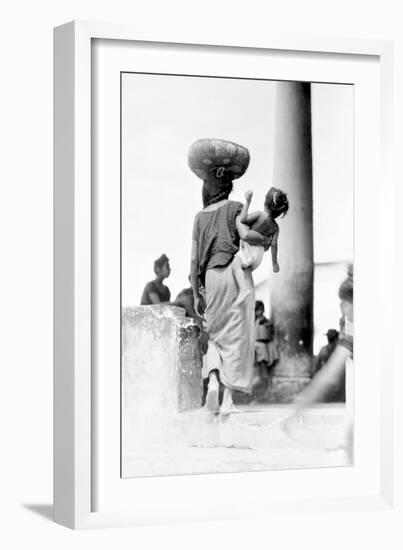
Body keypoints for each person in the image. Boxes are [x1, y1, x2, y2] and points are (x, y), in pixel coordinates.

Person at [190, 159, 272, 416]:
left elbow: (193, 260)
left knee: (215, 336)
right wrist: (267, 240)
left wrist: (195, 293)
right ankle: (227, 400)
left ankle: (212, 382)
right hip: (234, 273)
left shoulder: (199, 217)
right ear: (228, 187)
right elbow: (248, 235)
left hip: (210, 278)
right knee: (237, 337)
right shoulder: (236, 208)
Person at [282, 266, 354, 460]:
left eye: (345, 304)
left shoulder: (352, 328)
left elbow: (328, 376)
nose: (342, 309)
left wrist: (298, 408)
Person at [236, 187, 289, 273]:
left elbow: (243, 219)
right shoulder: (275, 227)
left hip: (247, 249)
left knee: (236, 267)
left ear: (265, 202)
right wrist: (274, 262)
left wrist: (248, 202)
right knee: (247, 272)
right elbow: (274, 244)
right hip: (258, 255)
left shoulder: (260, 215)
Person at [252, 301, 278, 401]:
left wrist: (265, 325)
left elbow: (269, 330)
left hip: (262, 345)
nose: (259, 312)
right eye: (257, 310)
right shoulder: (252, 320)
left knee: (263, 370)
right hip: (255, 345)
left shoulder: (264, 320)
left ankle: (265, 389)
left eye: (260, 310)